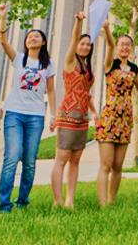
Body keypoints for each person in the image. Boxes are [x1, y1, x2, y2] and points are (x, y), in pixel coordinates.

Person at [0, 4, 57, 212]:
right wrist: (3, 17)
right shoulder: (19, 58)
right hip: (14, 113)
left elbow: (51, 90)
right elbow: (3, 41)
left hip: (36, 116)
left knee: (29, 162)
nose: (32, 39)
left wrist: (53, 115)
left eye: (36, 36)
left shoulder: (48, 64)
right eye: (29, 37)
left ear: (43, 42)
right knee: (12, 157)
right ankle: (4, 204)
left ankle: (22, 201)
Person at [95, 19, 138, 207]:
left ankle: (112, 202)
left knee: (118, 165)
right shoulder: (110, 64)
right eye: (122, 44)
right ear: (117, 47)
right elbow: (109, 45)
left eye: (128, 45)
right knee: (106, 164)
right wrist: (107, 30)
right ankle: (103, 203)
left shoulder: (134, 68)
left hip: (125, 119)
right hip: (109, 118)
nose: (125, 47)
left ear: (132, 48)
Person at [50, 12, 96, 209]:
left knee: (76, 160)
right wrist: (78, 21)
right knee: (61, 159)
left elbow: (86, 93)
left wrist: (94, 112)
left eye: (88, 45)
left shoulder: (88, 66)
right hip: (68, 115)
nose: (85, 46)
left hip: (83, 118)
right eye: (82, 44)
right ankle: (57, 201)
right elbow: (73, 39)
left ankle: (70, 200)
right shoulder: (70, 61)